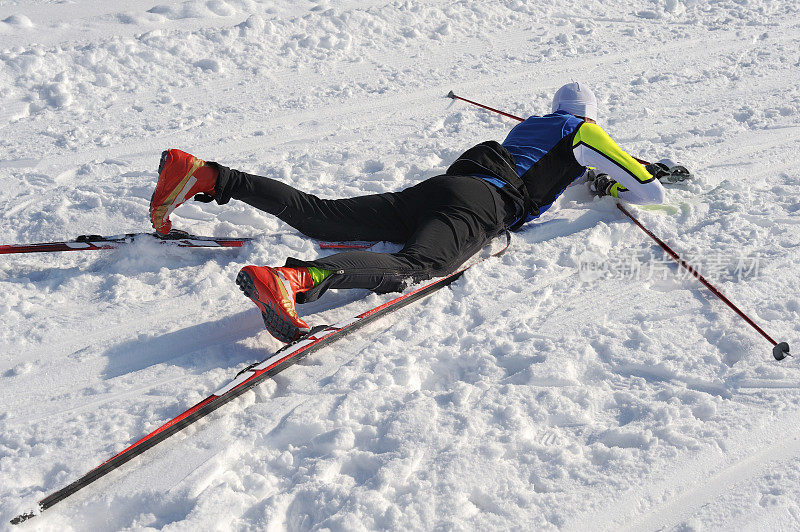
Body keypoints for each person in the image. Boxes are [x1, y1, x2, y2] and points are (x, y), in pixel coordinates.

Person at [149, 82, 665, 343]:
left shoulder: (530, 127)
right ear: (589, 117)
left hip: (444, 187)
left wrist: (589, 175)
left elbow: (551, 167)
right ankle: (293, 282)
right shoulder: (583, 132)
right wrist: (631, 174)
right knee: (421, 265)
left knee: (320, 216)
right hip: (482, 205)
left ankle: (206, 174)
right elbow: (646, 191)